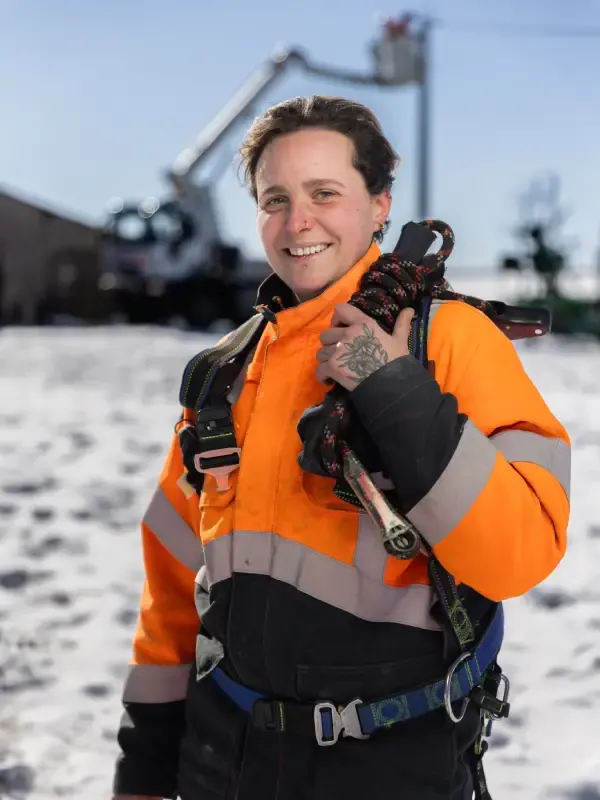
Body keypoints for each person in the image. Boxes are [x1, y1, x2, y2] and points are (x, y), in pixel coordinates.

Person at [111, 95, 571, 800]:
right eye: (275, 199)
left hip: (390, 766)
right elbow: (171, 588)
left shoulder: (445, 340)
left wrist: (389, 386)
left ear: (381, 204)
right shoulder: (223, 372)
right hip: (221, 759)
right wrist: (144, 765)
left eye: (325, 192)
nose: (298, 222)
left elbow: (520, 552)